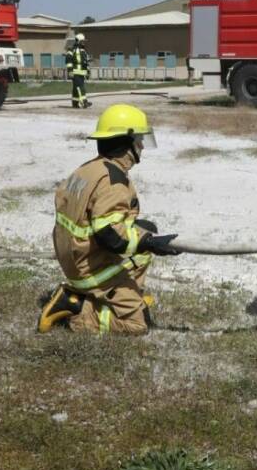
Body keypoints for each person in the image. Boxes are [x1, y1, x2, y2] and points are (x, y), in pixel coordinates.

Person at [38, 104, 180, 335]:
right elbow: (109, 236)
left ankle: (128, 294)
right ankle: (77, 307)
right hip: (89, 266)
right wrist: (150, 242)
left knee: (145, 231)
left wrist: (146, 236)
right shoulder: (113, 182)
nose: (142, 145)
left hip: (72, 253)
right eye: (138, 139)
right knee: (137, 325)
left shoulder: (89, 169)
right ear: (125, 143)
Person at [66, 33, 91, 109]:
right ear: (78, 41)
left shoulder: (84, 51)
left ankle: (75, 103)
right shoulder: (72, 50)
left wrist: (88, 72)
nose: (83, 43)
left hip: (82, 72)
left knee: (76, 88)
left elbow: (86, 62)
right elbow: (68, 60)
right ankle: (84, 102)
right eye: (82, 41)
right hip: (75, 72)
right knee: (80, 87)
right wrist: (70, 71)